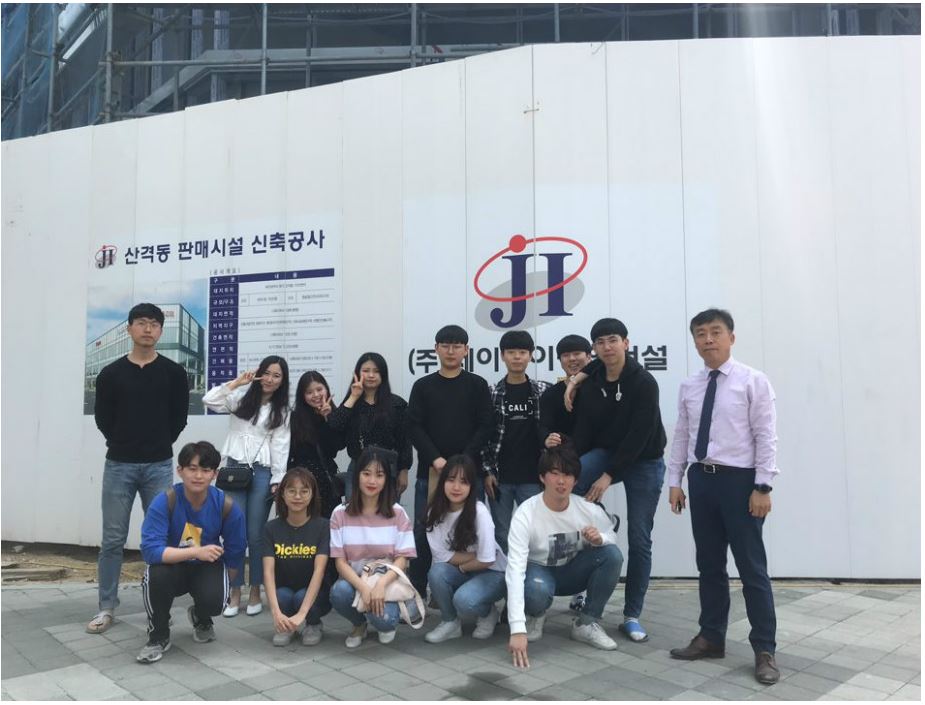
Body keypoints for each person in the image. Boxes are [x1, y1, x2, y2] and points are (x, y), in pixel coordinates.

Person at [667, 308, 780, 685]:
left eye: (715, 332)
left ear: (731, 337)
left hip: (741, 482)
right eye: (701, 334)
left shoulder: (753, 381)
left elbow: (766, 435)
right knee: (709, 565)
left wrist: (763, 485)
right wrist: (675, 480)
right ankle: (711, 636)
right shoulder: (690, 385)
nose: (708, 339)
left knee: (752, 568)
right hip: (702, 480)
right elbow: (682, 435)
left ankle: (764, 649)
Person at [89, 302, 190, 635]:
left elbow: (178, 418)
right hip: (119, 464)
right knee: (112, 539)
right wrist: (124, 441)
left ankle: (159, 608)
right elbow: (103, 419)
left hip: (158, 465)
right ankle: (106, 607)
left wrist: (157, 442)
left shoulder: (174, 373)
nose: (148, 329)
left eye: (154, 324)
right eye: (142, 322)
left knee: (160, 538)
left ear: (161, 330)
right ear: (129, 328)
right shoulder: (111, 374)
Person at [565, 318, 667, 643]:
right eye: (600, 342)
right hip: (607, 452)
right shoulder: (593, 377)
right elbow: (584, 430)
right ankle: (601, 526)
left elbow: (640, 436)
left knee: (639, 538)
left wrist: (608, 476)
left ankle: (631, 615)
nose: (607, 347)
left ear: (626, 342)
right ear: (594, 348)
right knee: (570, 483)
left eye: (613, 340)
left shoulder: (643, 382)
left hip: (644, 459)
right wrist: (573, 382)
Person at [506, 442, 624, 669]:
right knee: (536, 589)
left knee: (612, 556)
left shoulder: (587, 508)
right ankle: (535, 615)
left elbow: (611, 536)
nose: (561, 481)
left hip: (571, 571)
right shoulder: (525, 513)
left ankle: (586, 624)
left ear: (575, 481)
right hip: (538, 573)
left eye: (568, 475)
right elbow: (515, 570)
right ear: (542, 477)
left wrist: (600, 538)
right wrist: (517, 629)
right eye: (555, 473)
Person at [137, 441, 246, 663]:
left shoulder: (226, 506)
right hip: (172, 566)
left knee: (216, 599)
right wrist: (195, 552)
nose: (198, 476)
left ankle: (201, 615)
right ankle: (158, 635)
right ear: (180, 471)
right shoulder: (165, 501)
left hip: (206, 566)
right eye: (192, 468)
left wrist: (222, 586)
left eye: (205, 470)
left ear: (215, 474)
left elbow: (235, 552)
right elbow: (150, 551)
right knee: (155, 576)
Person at [406, 324, 494, 596]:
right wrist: (435, 459)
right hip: (431, 472)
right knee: (423, 531)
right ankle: (417, 591)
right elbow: (414, 427)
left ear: (466, 350)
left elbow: (486, 426)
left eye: (457, 346)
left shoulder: (477, 385)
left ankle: (471, 590)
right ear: (436, 349)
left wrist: (462, 463)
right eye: (445, 345)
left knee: (470, 531)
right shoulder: (423, 386)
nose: (451, 351)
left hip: (469, 475)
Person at [203, 356, 291, 618]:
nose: (270, 379)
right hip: (234, 470)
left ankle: (255, 590)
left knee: (256, 534)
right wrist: (236, 382)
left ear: (282, 381)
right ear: (259, 373)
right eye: (267, 373)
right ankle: (234, 591)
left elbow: (281, 446)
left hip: (262, 473)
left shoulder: (282, 411)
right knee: (235, 533)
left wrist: (278, 479)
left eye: (277, 375)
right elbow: (209, 400)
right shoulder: (241, 398)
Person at [329, 446, 418, 648]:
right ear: (357, 476)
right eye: (366, 473)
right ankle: (359, 624)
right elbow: (340, 562)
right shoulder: (340, 514)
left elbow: (402, 559)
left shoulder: (398, 513)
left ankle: (384, 621)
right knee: (339, 592)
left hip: (386, 582)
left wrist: (380, 585)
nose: (372, 481)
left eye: (379, 475)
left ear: (387, 479)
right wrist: (363, 588)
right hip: (355, 581)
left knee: (384, 622)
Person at [424, 455, 507, 643]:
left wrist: (462, 566)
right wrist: (475, 556)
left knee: (464, 600)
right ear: (443, 482)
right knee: (437, 573)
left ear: (471, 486)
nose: (456, 487)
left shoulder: (480, 512)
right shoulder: (434, 512)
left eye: (464, 482)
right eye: (451, 480)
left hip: (494, 573)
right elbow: (441, 556)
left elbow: (488, 560)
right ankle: (450, 622)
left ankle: (488, 612)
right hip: (469, 568)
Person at [481, 330, 550, 553]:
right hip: (500, 477)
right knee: (502, 533)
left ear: (531, 355)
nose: (517, 357)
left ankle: (532, 574)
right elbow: (483, 436)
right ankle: (507, 573)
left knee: (535, 531)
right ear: (502, 356)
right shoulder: (492, 393)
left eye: (522, 352)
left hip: (533, 477)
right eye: (511, 352)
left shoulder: (543, 391)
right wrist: (487, 471)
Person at [262, 468, 332, 647]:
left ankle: (313, 624)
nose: (297, 496)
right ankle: (286, 625)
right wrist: (276, 613)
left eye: (304, 491)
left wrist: (302, 613)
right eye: (291, 491)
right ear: (282, 494)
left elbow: (319, 571)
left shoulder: (323, 526)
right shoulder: (271, 528)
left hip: (317, 595)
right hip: (285, 590)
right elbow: (268, 572)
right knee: (282, 595)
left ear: (312, 494)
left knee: (301, 597)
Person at [328, 353, 412, 499]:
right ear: (357, 373)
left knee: (386, 512)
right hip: (357, 468)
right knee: (354, 512)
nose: (371, 375)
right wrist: (353, 396)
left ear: (383, 375)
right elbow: (335, 426)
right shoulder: (351, 403)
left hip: (388, 468)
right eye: (366, 371)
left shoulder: (397, 404)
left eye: (376, 371)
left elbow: (404, 440)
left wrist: (404, 470)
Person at [288, 371, 346, 517]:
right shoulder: (295, 418)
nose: (316, 395)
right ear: (302, 396)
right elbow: (290, 453)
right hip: (301, 482)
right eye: (309, 392)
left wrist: (328, 418)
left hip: (326, 479)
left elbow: (336, 447)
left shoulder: (335, 414)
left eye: (319, 389)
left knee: (328, 523)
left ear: (326, 389)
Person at [538, 334, 592, 446]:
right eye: (566, 355)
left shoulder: (600, 387)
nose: (572, 358)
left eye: (577, 353)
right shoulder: (551, 394)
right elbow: (544, 427)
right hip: (564, 452)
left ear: (589, 356)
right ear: (560, 360)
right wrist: (547, 439)